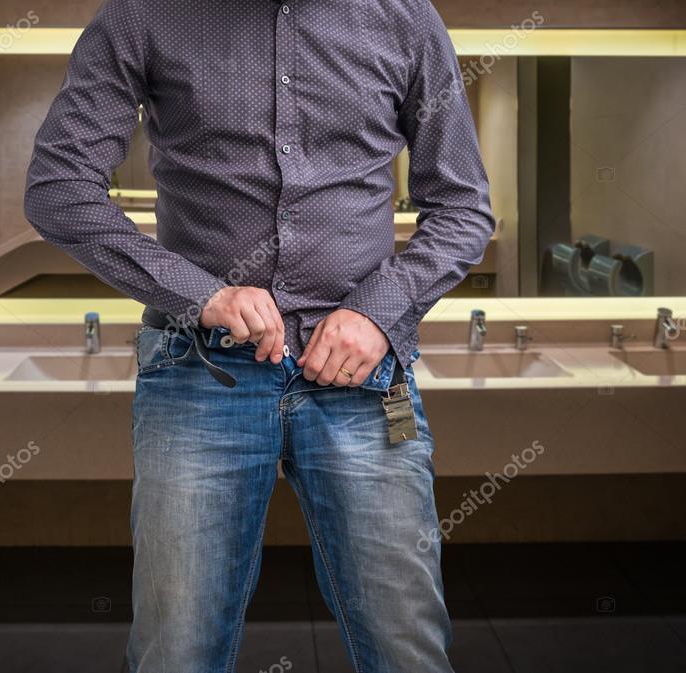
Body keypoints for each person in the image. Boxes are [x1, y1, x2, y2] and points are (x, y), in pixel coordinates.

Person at [25, 0, 494, 670]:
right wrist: (202, 294)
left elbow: (463, 208)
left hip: (364, 382)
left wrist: (377, 312)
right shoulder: (142, 15)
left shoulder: (405, 18)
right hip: (200, 371)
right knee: (177, 652)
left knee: (406, 646)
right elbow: (58, 189)